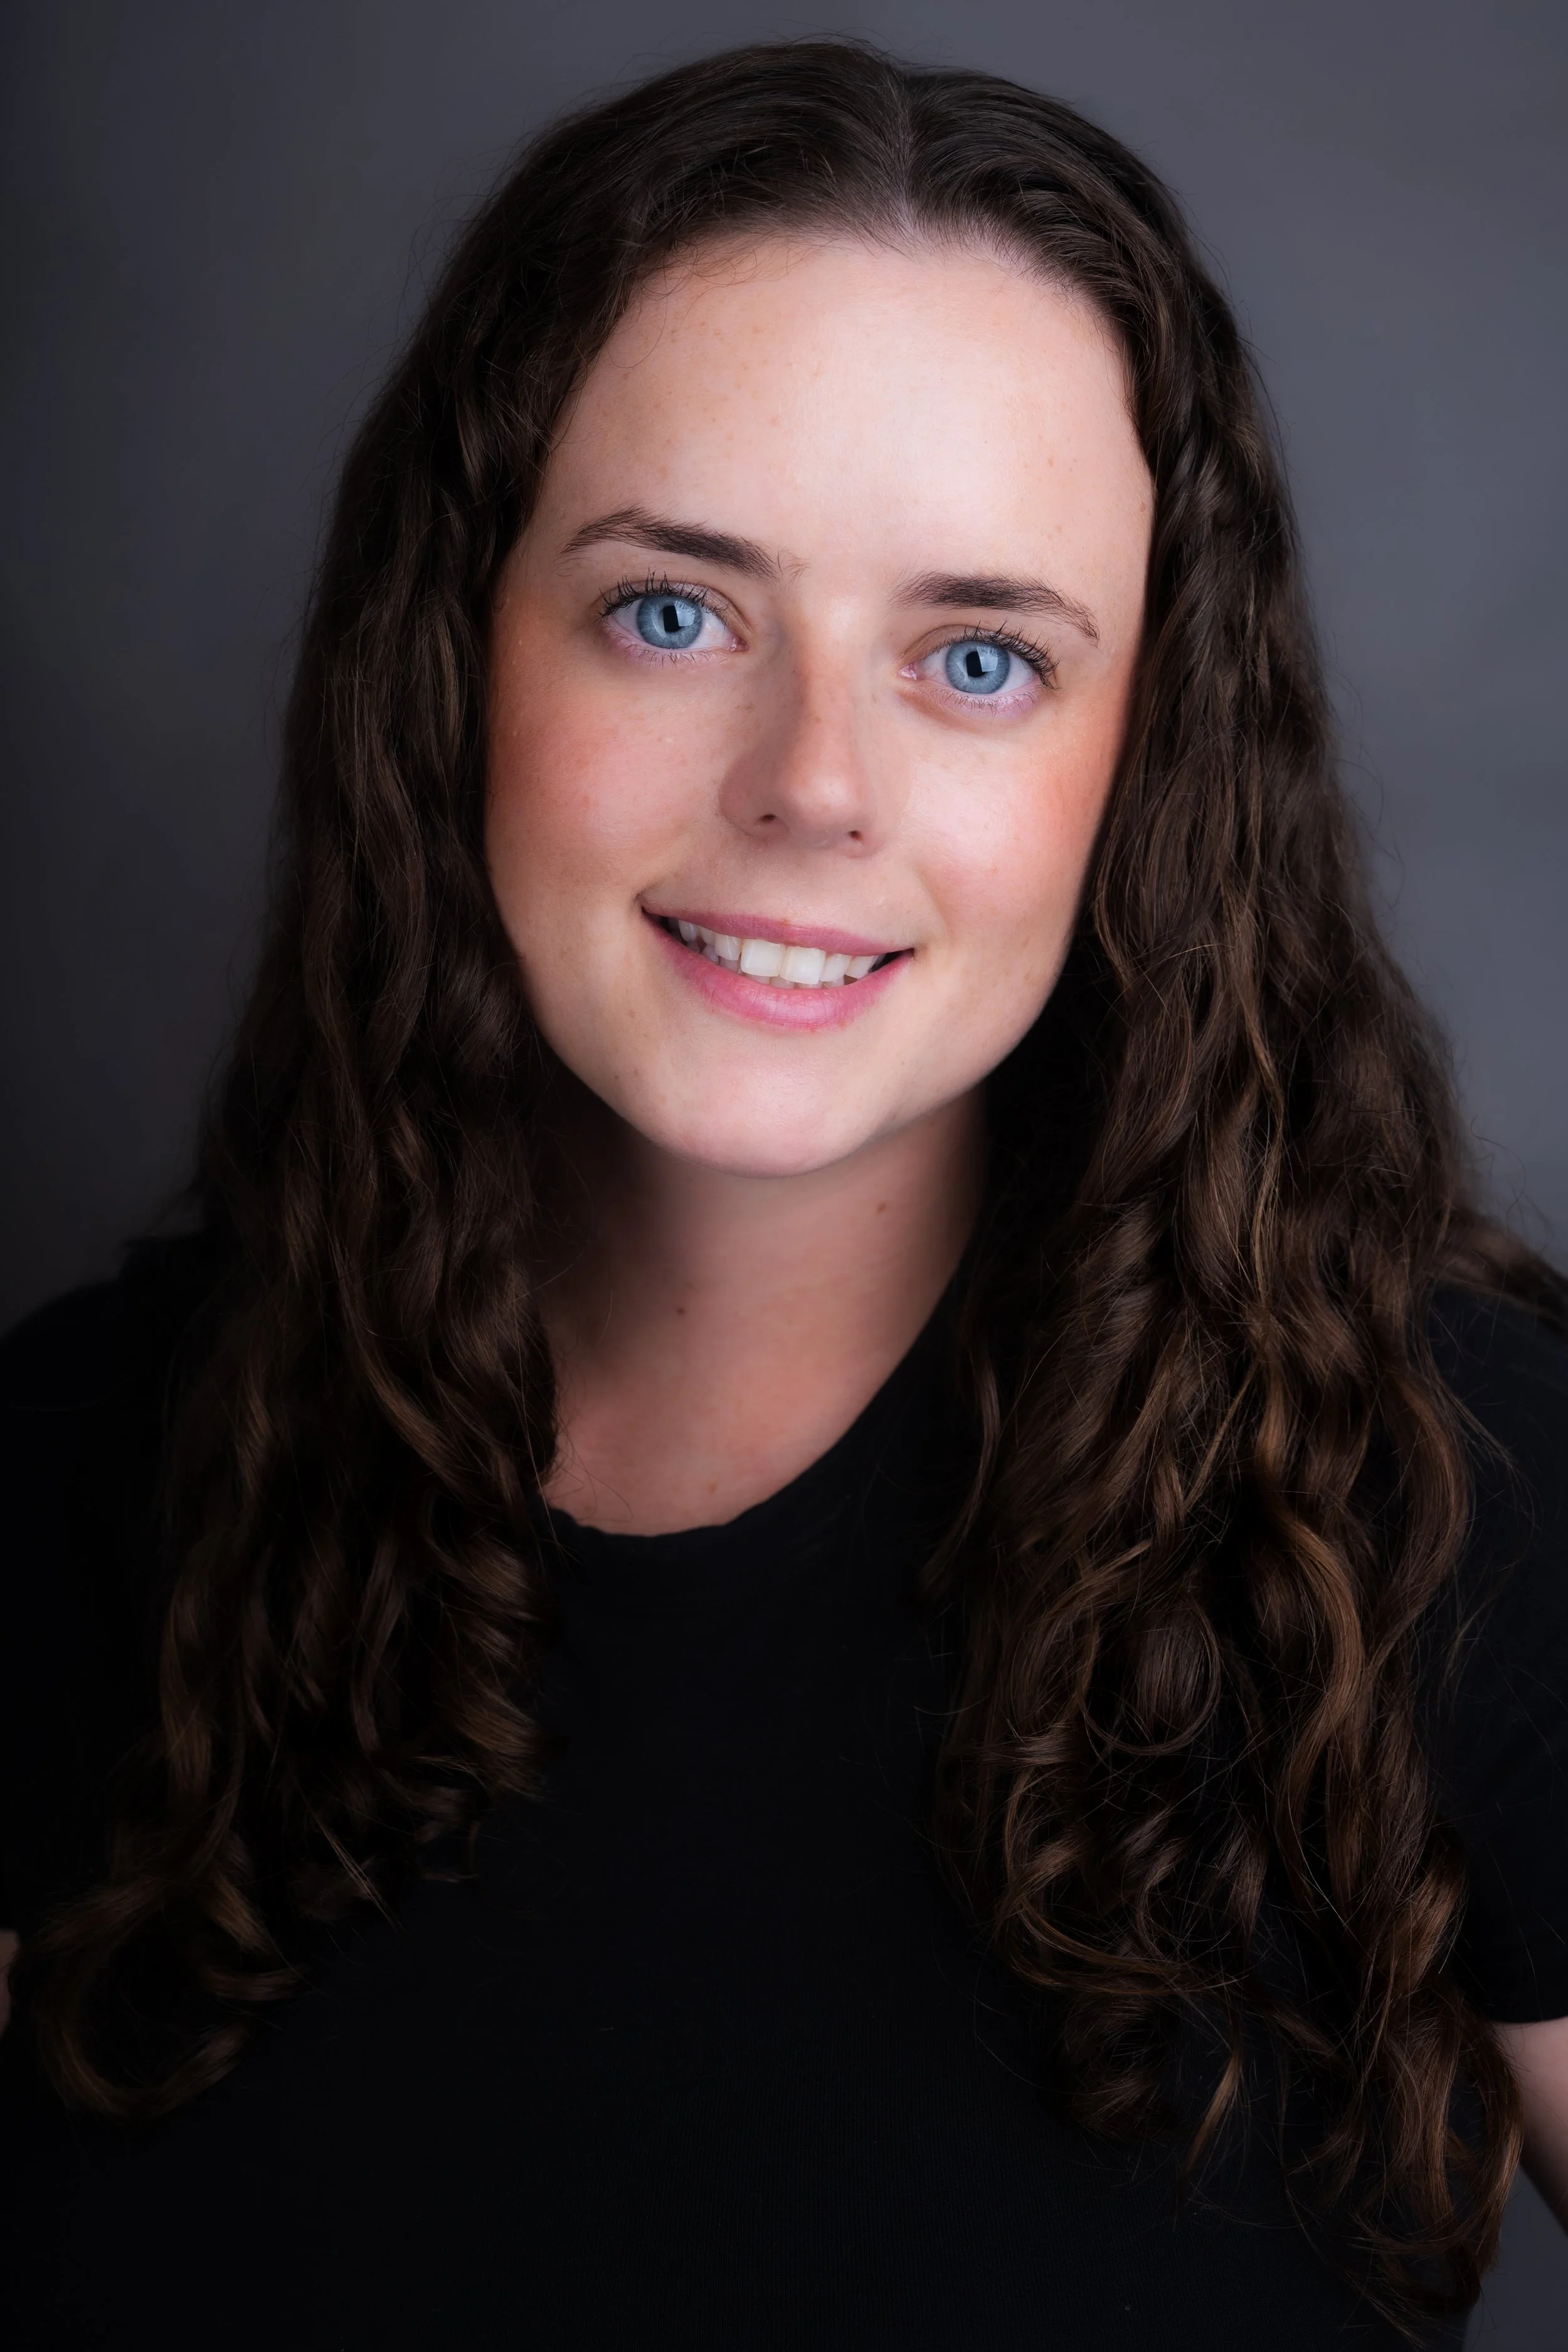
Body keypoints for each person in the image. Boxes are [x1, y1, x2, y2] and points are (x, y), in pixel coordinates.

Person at [1, 40, 1565, 2351]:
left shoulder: (1459, 1496)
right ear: (456, 656)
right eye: (672, 611)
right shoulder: (68, 1474)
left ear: (1144, 764)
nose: (812, 782)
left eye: (978, 658)